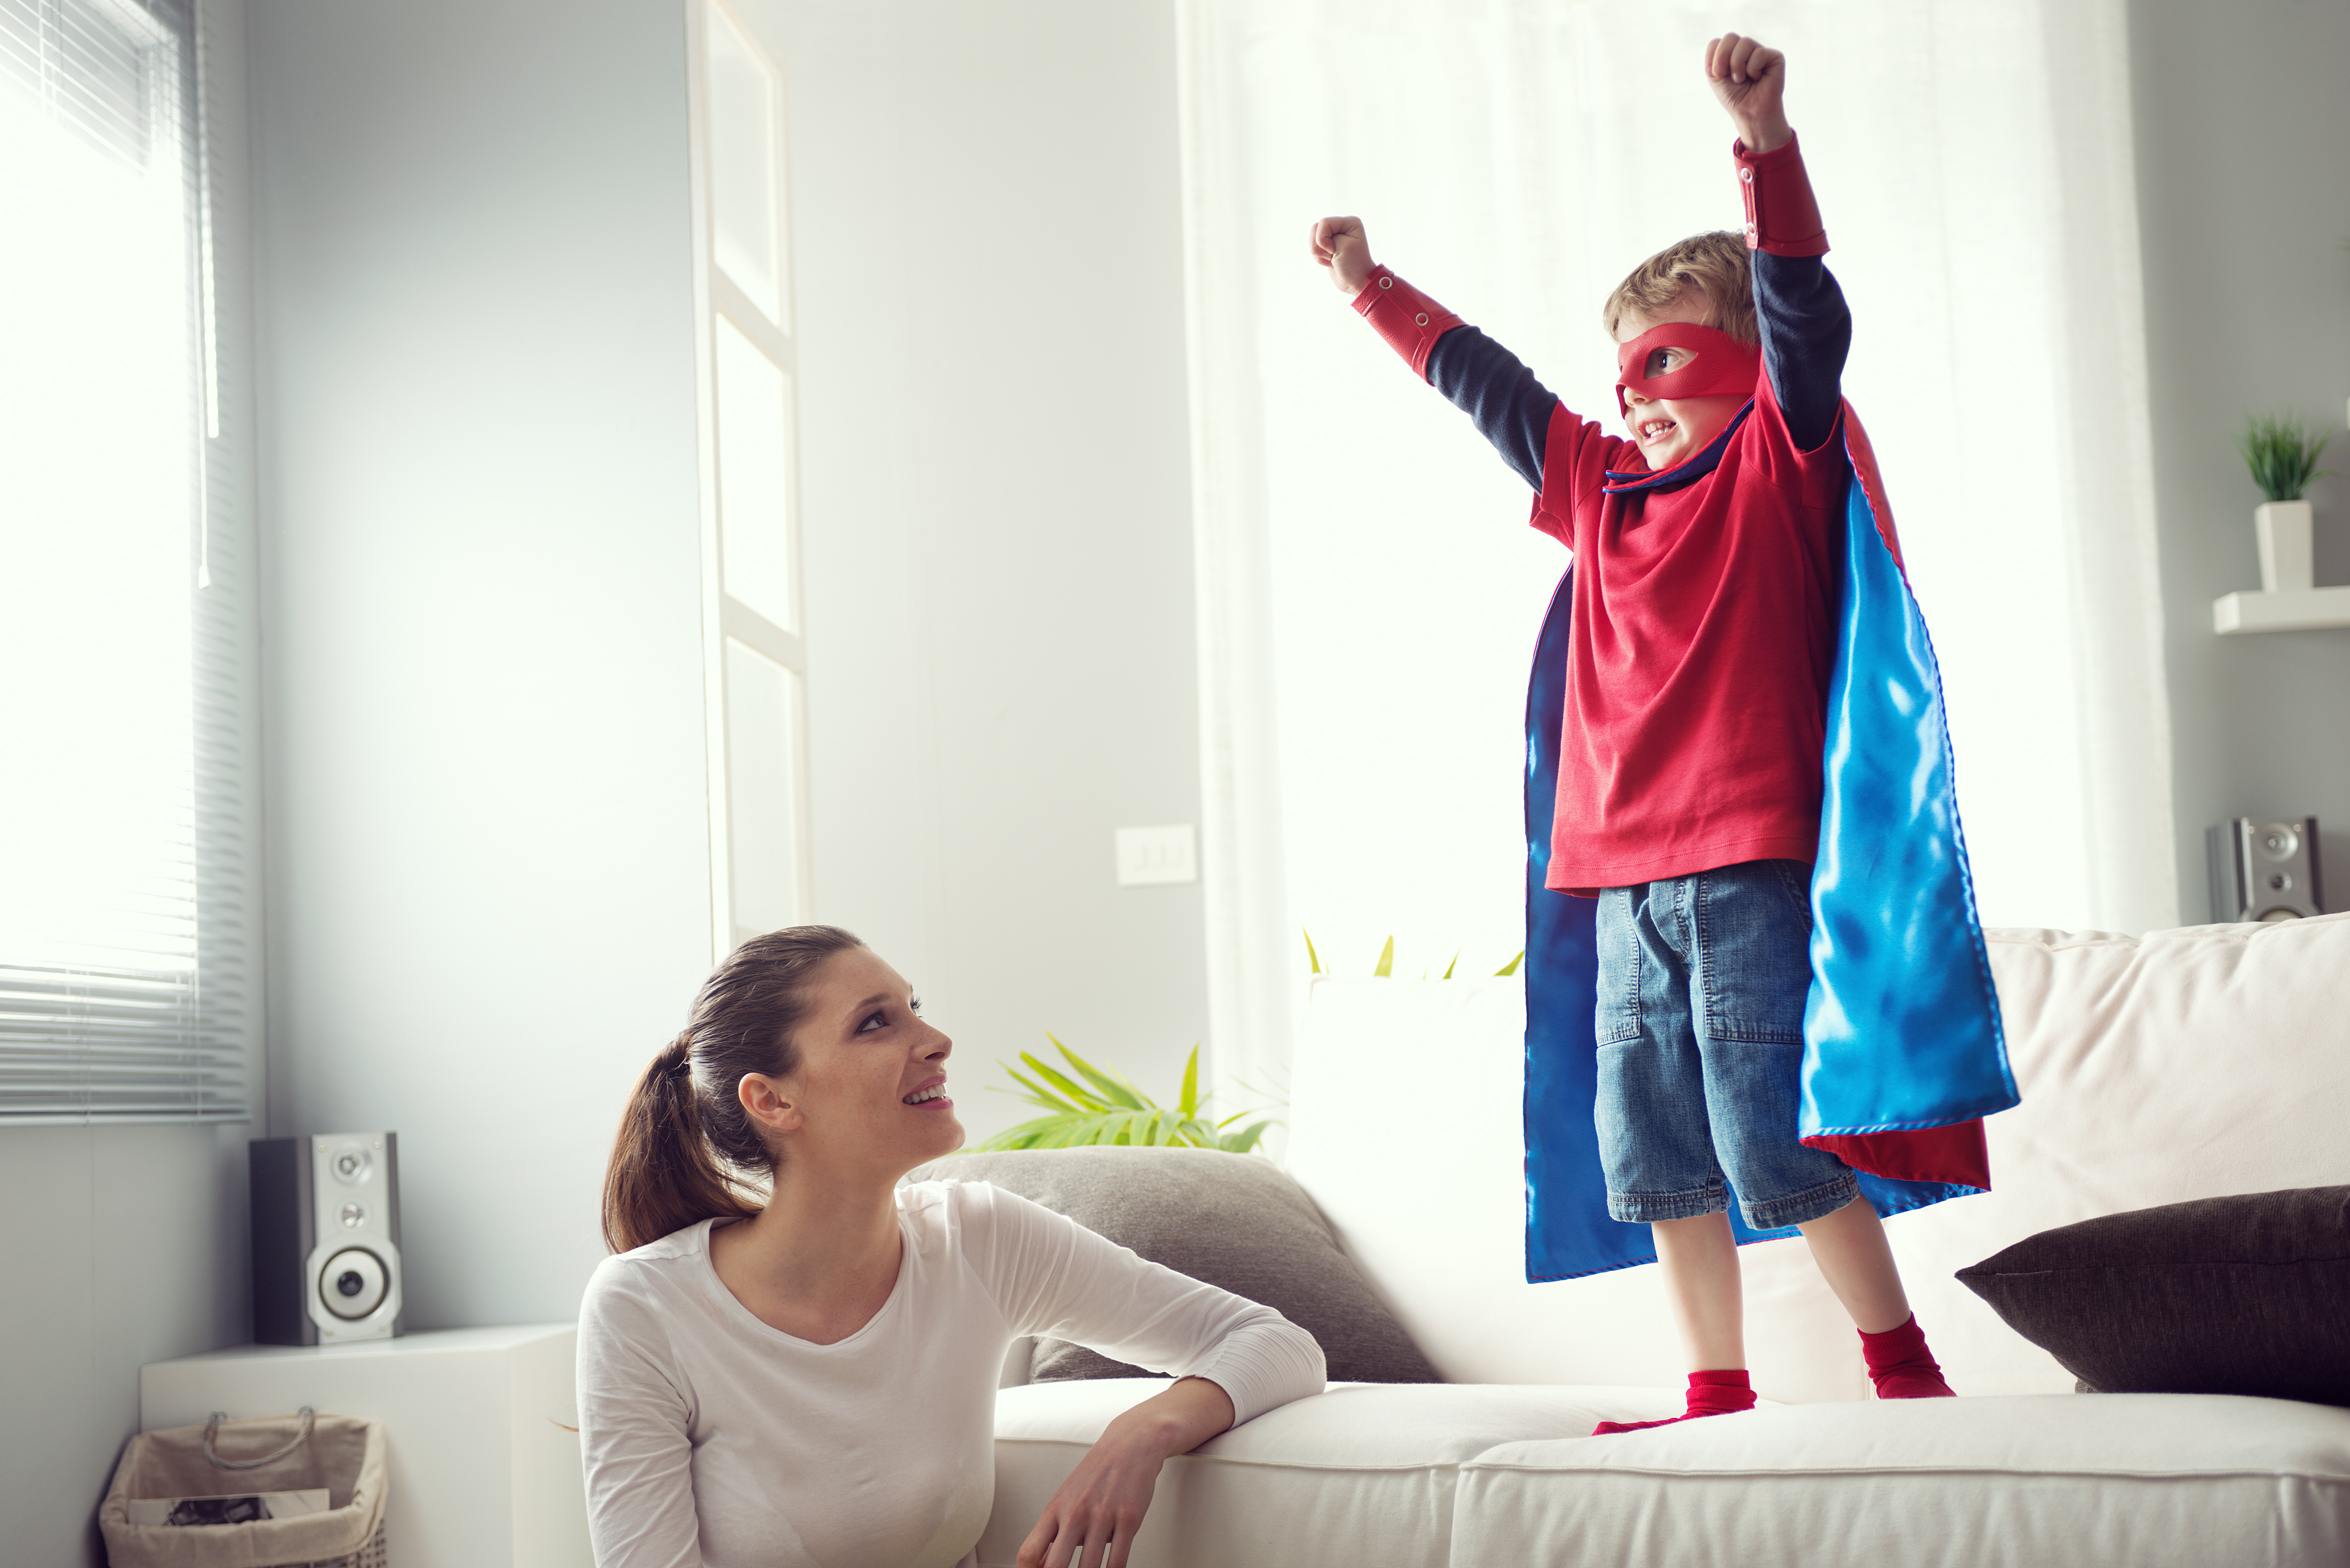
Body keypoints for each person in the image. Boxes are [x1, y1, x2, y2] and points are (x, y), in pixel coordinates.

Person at [1309, 33, 2001, 1433]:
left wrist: (1765, 144)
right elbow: (1488, 385)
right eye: (1623, 370)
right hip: (1616, 880)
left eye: (1669, 360)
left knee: (1771, 1133)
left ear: (1744, 371)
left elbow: (1807, 315)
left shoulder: (1776, 462)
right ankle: (1716, 1386)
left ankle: (1903, 1368)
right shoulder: (1599, 489)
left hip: (1749, 860)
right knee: (1653, 1151)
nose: (1635, 391)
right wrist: (1371, 290)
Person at [578, 925, 1324, 1567]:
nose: (936, 1041)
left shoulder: (979, 1239)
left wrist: (1142, 1432)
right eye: (875, 1023)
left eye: (914, 1008)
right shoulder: (646, 1307)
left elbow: (1274, 1341)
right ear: (773, 1099)